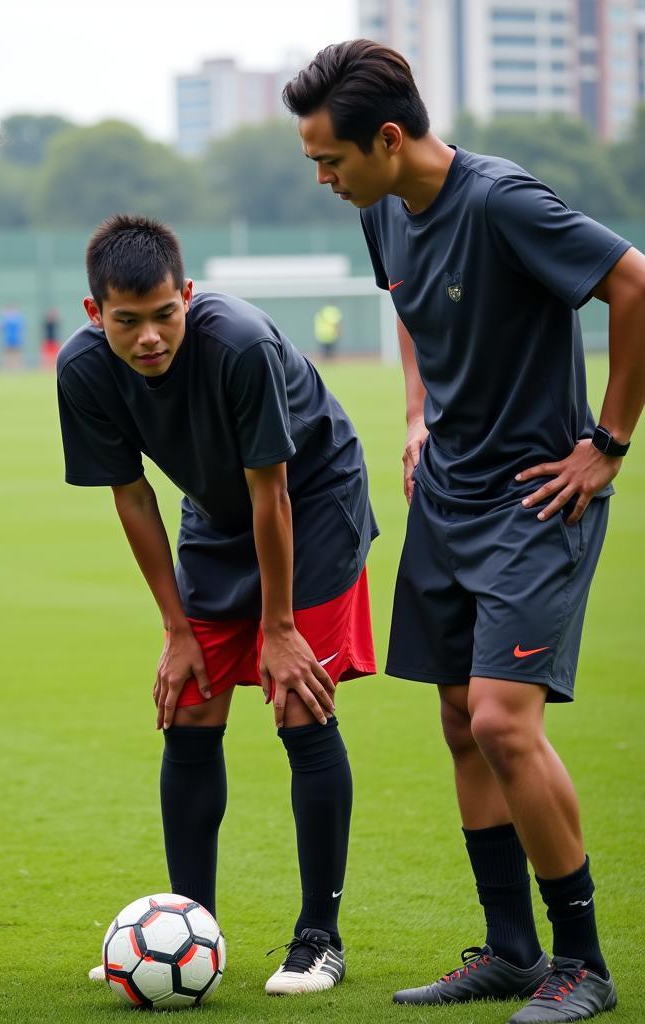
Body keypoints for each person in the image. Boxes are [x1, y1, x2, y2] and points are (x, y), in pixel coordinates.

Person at [284, 39, 645, 1023]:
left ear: (389, 138)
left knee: (499, 719)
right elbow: (403, 304)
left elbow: (634, 284)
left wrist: (606, 443)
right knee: (456, 718)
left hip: (536, 498)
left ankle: (584, 962)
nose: (322, 177)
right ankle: (512, 949)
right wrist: (412, 414)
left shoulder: (500, 201)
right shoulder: (380, 208)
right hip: (444, 492)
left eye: (330, 159)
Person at [57, 215, 377, 997]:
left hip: (312, 500)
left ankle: (318, 938)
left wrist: (279, 628)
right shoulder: (83, 370)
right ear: (96, 313)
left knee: (300, 706)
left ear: (188, 297)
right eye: (127, 322)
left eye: (165, 314)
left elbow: (274, 491)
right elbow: (132, 497)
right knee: (190, 706)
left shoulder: (239, 344)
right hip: (214, 507)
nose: (150, 338)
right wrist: (175, 630)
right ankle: (186, 928)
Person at [0, 303, 26, 370]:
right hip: (8, 339)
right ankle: (8, 368)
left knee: (17, 354)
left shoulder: (17, 318)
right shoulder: (6, 319)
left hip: (16, 339)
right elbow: (2, 327)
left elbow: (20, 328)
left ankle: (17, 368)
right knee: (8, 355)